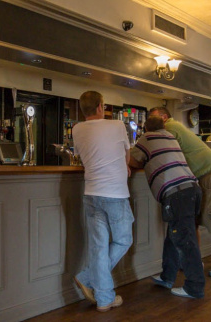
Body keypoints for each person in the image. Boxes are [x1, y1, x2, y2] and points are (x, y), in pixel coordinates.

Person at [148, 107, 211, 278]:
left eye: (152, 117)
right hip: (204, 174)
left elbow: (160, 150)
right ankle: (195, 262)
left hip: (210, 173)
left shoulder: (170, 127)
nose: (150, 121)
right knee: (194, 220)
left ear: (164, 117)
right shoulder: (174, 127)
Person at [128, 116, 205, 299]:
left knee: (185, 240)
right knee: (174, 234)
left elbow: (133, 160)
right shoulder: (170, 137)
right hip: (192, 189)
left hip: (177, 193)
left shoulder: (147, 138)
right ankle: (167, 276)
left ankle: (194, 287)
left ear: (146, 129)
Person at [71, 91, 134, 312]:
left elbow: (81, 156)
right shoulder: (117, 125)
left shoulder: (76, 129)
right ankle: (87, 278)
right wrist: (123, 166)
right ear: (100, 106)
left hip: (91, 192)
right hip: (115, 193)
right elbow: (127, 156)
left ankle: (105, 298)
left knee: (99, 247)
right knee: (123, 240)